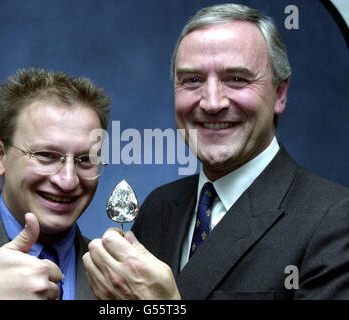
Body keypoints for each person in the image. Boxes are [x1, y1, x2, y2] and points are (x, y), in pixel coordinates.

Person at [83, 3, 349, 300]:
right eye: (192, 80)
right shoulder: (160, 206)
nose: (211, 103)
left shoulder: (335, 220)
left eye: (236, 79)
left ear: (279, 94)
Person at [0, 68, 111, 300]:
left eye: (86, 159)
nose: (68, 181)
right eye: (46, 155)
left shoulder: (114, 279)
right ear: (0, 156)